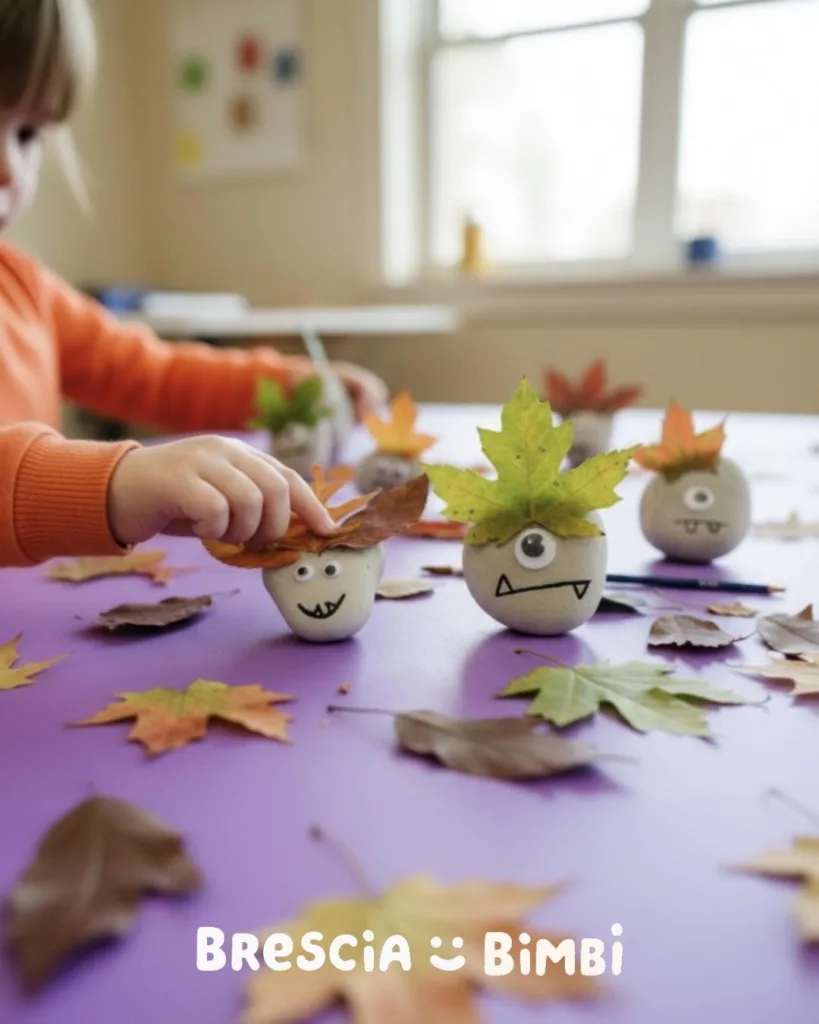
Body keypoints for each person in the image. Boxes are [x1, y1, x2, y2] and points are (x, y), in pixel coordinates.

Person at [0, 0, 389, 569]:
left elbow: (155, 374)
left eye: (29, 133)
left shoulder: (23, 287)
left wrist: (287, 384)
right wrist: (113, 484)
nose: (11, 167)